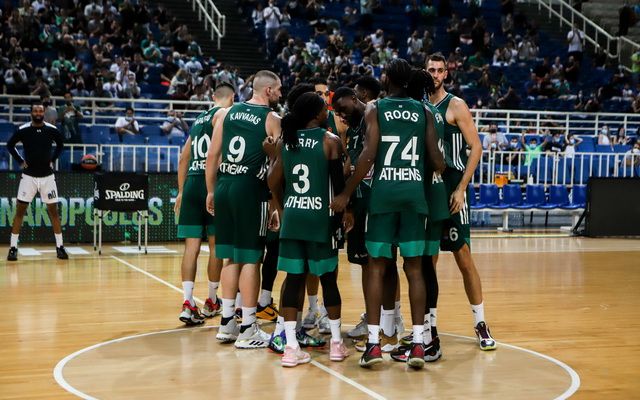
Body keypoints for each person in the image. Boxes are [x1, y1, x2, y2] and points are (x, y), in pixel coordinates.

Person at [331, 58, 444, 369]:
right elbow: (438, 161)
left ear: (387, 79)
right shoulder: (424, 111)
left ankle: (373, 344)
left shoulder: (375, 108)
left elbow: (368, 156)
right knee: (415, 269)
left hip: (384, 196)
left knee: (377, 267)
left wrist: (346, 192)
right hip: (414, 197)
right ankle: (418, 343)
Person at [268, 92, 350, 367]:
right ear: (316, 114)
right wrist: (346, 213)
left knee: (293, 280)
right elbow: (338, 186)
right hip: (320, 218)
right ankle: (336, 344)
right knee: (328, 280)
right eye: (325, 108)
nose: (328, 111)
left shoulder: (286, 141)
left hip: (293, 217)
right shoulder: (330, 141)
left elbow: (272, 180)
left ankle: (291, 347)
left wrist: (281, 206)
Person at [424, 52, 497, 351]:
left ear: (446, 74)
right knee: (428, 260)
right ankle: (429, 324)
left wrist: (462, 187)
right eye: (431, 70)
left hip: (452, 189)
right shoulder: (419, 106)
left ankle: (480, 322)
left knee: (463, 256)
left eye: (440, 70)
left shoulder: (456, 105)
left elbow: (476, 146)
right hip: (428, 190)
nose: (435, 75)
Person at [205, 70, 282, 349]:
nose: (280, 94)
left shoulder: (226, 113)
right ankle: (249, 327)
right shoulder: (272, 119)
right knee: (251, 259)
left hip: (225, 185)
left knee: (229, 257)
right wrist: (275, 204)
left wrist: (211, 190)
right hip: (251, 190)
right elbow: (278, 165)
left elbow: (212, 155)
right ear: (269, 90)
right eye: (278, 89)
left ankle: (227, 322)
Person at [332, 84, 406, 353]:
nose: (341, 114)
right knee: (367, 264)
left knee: (384, 262)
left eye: (343, 108)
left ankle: (392, 318)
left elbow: (368, 159)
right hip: (359, 201)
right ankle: (374, 316)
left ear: (356, 97)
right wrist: (349, 203)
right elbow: (351, 163)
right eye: (337, 112)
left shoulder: (375, 116)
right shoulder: (353, 127)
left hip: (376, 199)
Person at [175, 83, 235, 325]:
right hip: (212, 184)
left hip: (191, 183)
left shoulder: (199, 119)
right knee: (216, 246)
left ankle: (188, 302)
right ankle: (211, 300)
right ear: (232, 97)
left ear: (213, 96)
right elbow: (217, 154)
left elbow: (183, 158)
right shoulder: (224, 114)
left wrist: (181, 191)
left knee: (191, 248)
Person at [6, 102, 68, 261]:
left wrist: (53, 159)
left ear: (44, 112)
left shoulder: (51, 129)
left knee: (54, 212)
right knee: (20, 212)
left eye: (41, 111)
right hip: (29, 177)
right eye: (36, 111)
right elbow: (10, 145)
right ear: (31, 113)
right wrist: (20, 161)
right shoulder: (23, 129)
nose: (38, 113)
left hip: (47, 177)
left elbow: (60, 145)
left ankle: (60, 247)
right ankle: (13, 248)